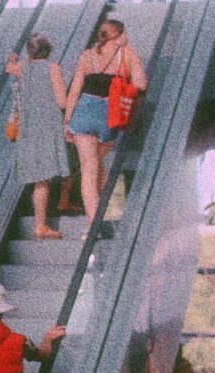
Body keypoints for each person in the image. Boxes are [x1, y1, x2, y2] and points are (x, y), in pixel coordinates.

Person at [64, 19, 147, 228]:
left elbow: (74, 91)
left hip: (83, 113)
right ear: (118, 34)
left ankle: (94, 226)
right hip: (109, 115)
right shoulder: (127, 53)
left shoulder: (86, 56)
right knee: (98, 166)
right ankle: (114, 213)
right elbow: (141, 83)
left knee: (89, 172)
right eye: (125, 33)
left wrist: (67, 121)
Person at [6, 33, 70, 239]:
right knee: (43, 179)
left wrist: (16, 59)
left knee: (39, 179)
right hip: (47, 127)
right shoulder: (52, 68)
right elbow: (62, 102)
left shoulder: (22, 69)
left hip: (28, 128)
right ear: (49, 50)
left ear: (29, 52)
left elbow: (10, 68)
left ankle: (45, 220)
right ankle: (40, 226)